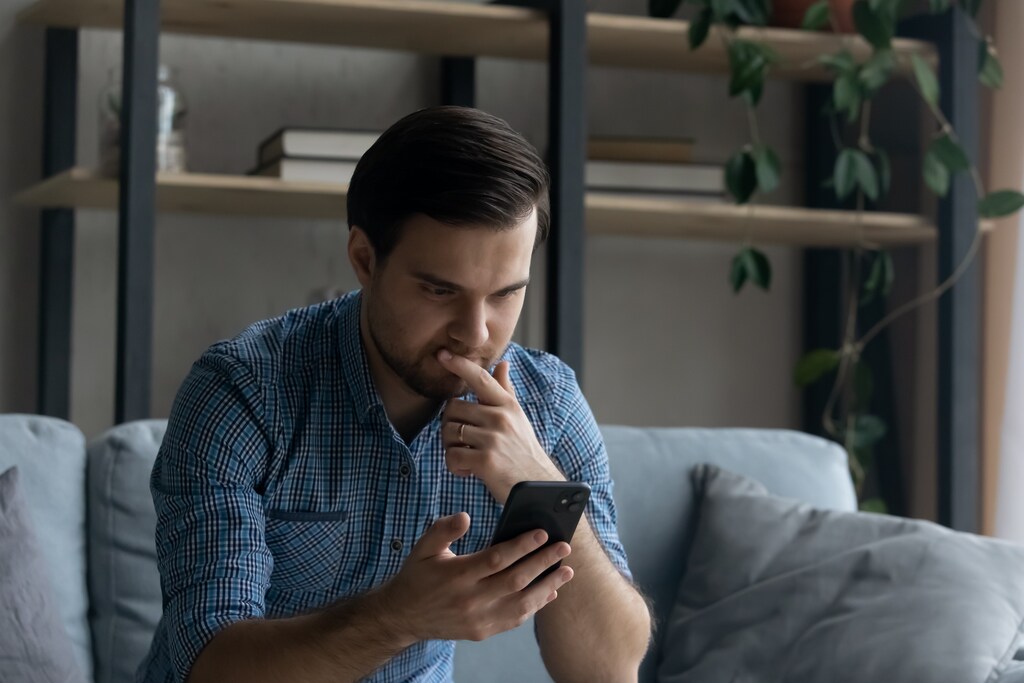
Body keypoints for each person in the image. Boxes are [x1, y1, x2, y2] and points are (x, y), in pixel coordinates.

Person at [139, 106, 652, 683]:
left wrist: (539, 480)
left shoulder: (548, 403)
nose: (476, 333)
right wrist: (397, 618)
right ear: (364, 258)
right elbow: (208, 667)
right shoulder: (245, 393)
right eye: (440, 290)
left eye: (506, 294)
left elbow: (609, 669)